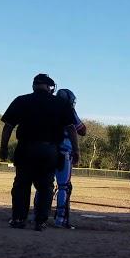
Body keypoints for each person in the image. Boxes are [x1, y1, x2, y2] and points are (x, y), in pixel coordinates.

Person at [0, 73, 80, 232]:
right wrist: (76, 150)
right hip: (50, 150)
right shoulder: (60, 103)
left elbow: (8, 126)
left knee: (22, 184)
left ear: (33, 86)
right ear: (50, 87)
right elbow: (72, 128)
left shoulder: (21, 100)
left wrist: (3, 147)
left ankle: (19, 219)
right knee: (46, 187)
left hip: (26, 148)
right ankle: (40, 222)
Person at [33, 88, 86, 230]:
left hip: (47, 150)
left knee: (44, 184)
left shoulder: (48, 108)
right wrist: (76, 150)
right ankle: (61, 220)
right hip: (64, 152)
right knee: (64, 186)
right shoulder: (68, 110)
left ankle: (36, 216)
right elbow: (81, 130)